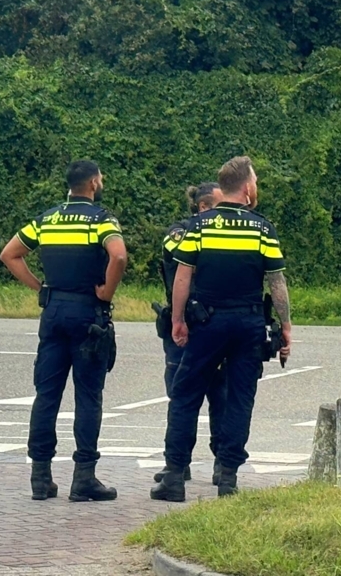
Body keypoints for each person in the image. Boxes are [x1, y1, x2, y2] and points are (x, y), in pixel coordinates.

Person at [151, 156, 292, 502]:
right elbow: (276, 283)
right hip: (248, 324)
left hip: (207, 322)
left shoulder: (199, 226)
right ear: (246, 187)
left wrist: (178, 319)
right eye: (255, 181)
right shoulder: (262, 229)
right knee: (239, 398)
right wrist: (286, 326)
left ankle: (174, 476)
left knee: (185, 395)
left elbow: (183, 277)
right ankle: (227, 477)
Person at [0, 160, 127, 502]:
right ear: (94, 183)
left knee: (47, 395)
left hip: (53, 310)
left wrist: (40, 287)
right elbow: (118, 257)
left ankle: (40, 477)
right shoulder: (101, 219)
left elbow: (9, 254)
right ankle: (83, 478)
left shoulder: (48, 219)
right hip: (88, 312)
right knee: (88, 396)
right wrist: (107, 292)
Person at [153, 182, 227, 486]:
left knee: (221, 396)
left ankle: (222, 462)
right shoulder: (179, 233)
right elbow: (188, 261)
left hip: (218, 325)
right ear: (203, 207)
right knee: (181, 397)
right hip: (184, 326)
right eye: (221, 206)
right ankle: (178, 463)